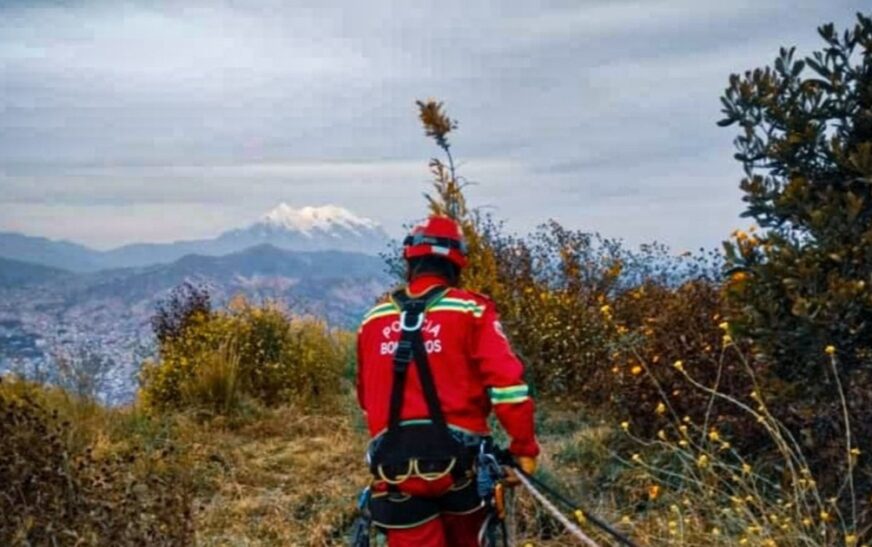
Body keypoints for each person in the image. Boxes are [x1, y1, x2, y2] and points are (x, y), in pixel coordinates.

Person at [355, 214, 539, 547]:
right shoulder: (472, 310)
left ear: (409, 260)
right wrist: (524, 450)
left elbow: (366, 399)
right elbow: (509, 389)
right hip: (462, 471)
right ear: (458, 262)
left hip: (395, 473)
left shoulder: (372, 320)